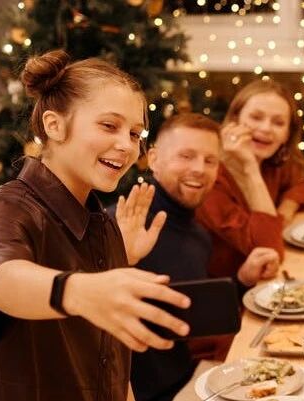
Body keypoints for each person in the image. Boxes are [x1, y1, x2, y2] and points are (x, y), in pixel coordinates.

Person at [0, 50, 190, 401]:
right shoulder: (1, 211)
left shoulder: (102, 225)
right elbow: (3, 281)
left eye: (136, 133)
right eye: (109, 125)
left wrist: (120, 260)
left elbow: (111, 362)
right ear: (54, 125)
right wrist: (79, 291)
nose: (126, 145)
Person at [111, 113, 280, 401]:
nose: (199, 169)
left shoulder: (197, 227)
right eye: (186, 156)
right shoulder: (122, 226)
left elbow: (191, 309)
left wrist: (240, 280)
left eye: (210, 160)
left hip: (191, 377)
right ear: (153, 159)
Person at [196, 79, 304, 280]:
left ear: (287, 134)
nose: (266, 128)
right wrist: (250, 169)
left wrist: (284, 213)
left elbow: (298, 182)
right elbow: (269, 250)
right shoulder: (209, 177)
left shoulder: (272, 159)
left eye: (278, 122)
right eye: (256, 117)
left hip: (262, 281)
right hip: (228, 289)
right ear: (235, 120)